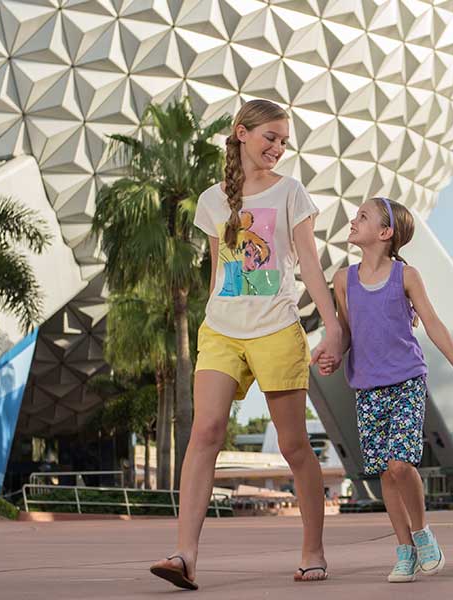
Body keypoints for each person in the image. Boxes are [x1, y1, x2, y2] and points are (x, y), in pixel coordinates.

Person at [149, 99, 343, 590]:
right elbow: (219, 270)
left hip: (277, 327)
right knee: (206, 432)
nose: (277, 147)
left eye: (283, 141)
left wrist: (334, 327)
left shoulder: (291, 193)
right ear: (241, 133)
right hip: (220, 330)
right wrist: (210, 312)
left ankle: (313, 548)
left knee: (295, 444)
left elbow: (309, 266)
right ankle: (185, 555)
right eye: (270, 137)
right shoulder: (214, 199)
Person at [317, 197, 453, 583]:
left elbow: (434, 323)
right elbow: (346, 331)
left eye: (363, 217)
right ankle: (404, 550)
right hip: (367, 387)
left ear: (385, 233)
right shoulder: (344, 280)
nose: (353, 221)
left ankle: (423, 535)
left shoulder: (405, 276)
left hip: (406, 380)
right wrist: (333, 356)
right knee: (385, 475)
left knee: (400, 463)